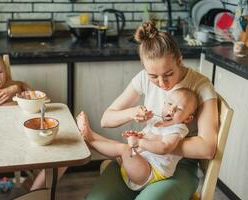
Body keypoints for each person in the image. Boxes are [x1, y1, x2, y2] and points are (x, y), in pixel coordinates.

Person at [85, 20, 218, 200]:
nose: (162, 84)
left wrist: (161, 143)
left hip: (180, 167)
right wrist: (132, 113)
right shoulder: (143, 79)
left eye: (168, 74)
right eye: (153, 76)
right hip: (142, 154)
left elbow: (207, 148)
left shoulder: (200, 85)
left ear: (180, 60)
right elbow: (106, 119)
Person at [76, 88, 198, 191]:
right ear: (164, 103)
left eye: (179, 109)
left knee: (124, 149)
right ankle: (90, 137)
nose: (172, 110)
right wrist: (139, 136)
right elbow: (149, 140)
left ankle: (90, 140)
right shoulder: (157, 122)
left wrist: (139, 142)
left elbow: (165, 147)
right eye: (170, 104)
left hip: (150, 173)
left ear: (187, 119)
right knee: (118, 145)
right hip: (139, 163)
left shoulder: (177, 128)